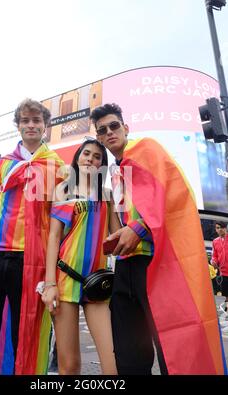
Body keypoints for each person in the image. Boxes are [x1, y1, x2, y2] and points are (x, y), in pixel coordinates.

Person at [90, 103, 226, 375]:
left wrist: (138, 229)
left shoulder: (148, 149)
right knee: (129, 352)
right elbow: (128, 216)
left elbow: (174, 195)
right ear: (100, 138)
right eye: (103, 130)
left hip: (157, 263)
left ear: (126, 128)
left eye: (114, 126)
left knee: (173, 347)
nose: (110, 133)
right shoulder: (116, 175)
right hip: (125, 267)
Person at [0, 98, 64, 375]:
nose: (31, 125)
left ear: (45, 126)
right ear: (18, 126)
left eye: (36, 120)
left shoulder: (57, 167)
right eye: (25, 120)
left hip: (30, 264)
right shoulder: (4, 164)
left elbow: (57, 224)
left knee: (24, 340)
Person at [42, 139, 118, 375]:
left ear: (102, 165)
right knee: (70, 366)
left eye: (97, 157)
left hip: (98, 283)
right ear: (77, 157)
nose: (90, 159)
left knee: (113, 363)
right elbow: (54, 238)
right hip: (65, 280)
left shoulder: (106, 194)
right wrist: (50, 284)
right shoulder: (63, 189)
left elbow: (116, 236)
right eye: (86, 154)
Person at [211, 222, 228, 308]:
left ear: (225, 228)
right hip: (223, 273)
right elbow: (214, 255)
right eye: (217, 228)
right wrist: (213, 261)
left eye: (221, 227)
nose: (219, 229)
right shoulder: (215, 241)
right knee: (225, 295)